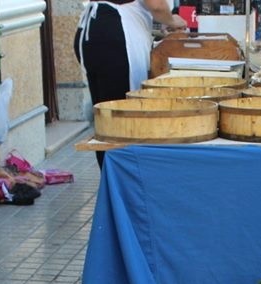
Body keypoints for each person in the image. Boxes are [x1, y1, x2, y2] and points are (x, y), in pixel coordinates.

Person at [74, 0, 187, 166]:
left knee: (104, 116)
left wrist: (161, 21)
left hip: (94, 28)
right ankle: (120, 181)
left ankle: (109, 179)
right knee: (122, 117)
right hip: (116, 32)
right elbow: (156, 5)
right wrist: (172, 20)